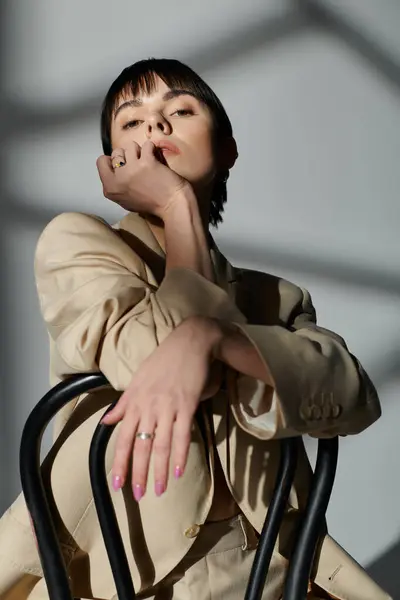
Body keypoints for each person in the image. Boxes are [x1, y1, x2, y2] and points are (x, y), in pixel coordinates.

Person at [0, 58, 391, 600]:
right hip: (114, 573)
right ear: (112, 162)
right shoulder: (78, 246)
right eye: (131, 122)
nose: (155, 127)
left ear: (227, 149)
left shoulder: (275, 298)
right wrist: (176, 204)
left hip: (267, 575)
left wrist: (219, 337)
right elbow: (148, 357)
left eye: (179, 110)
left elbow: (353, 396)